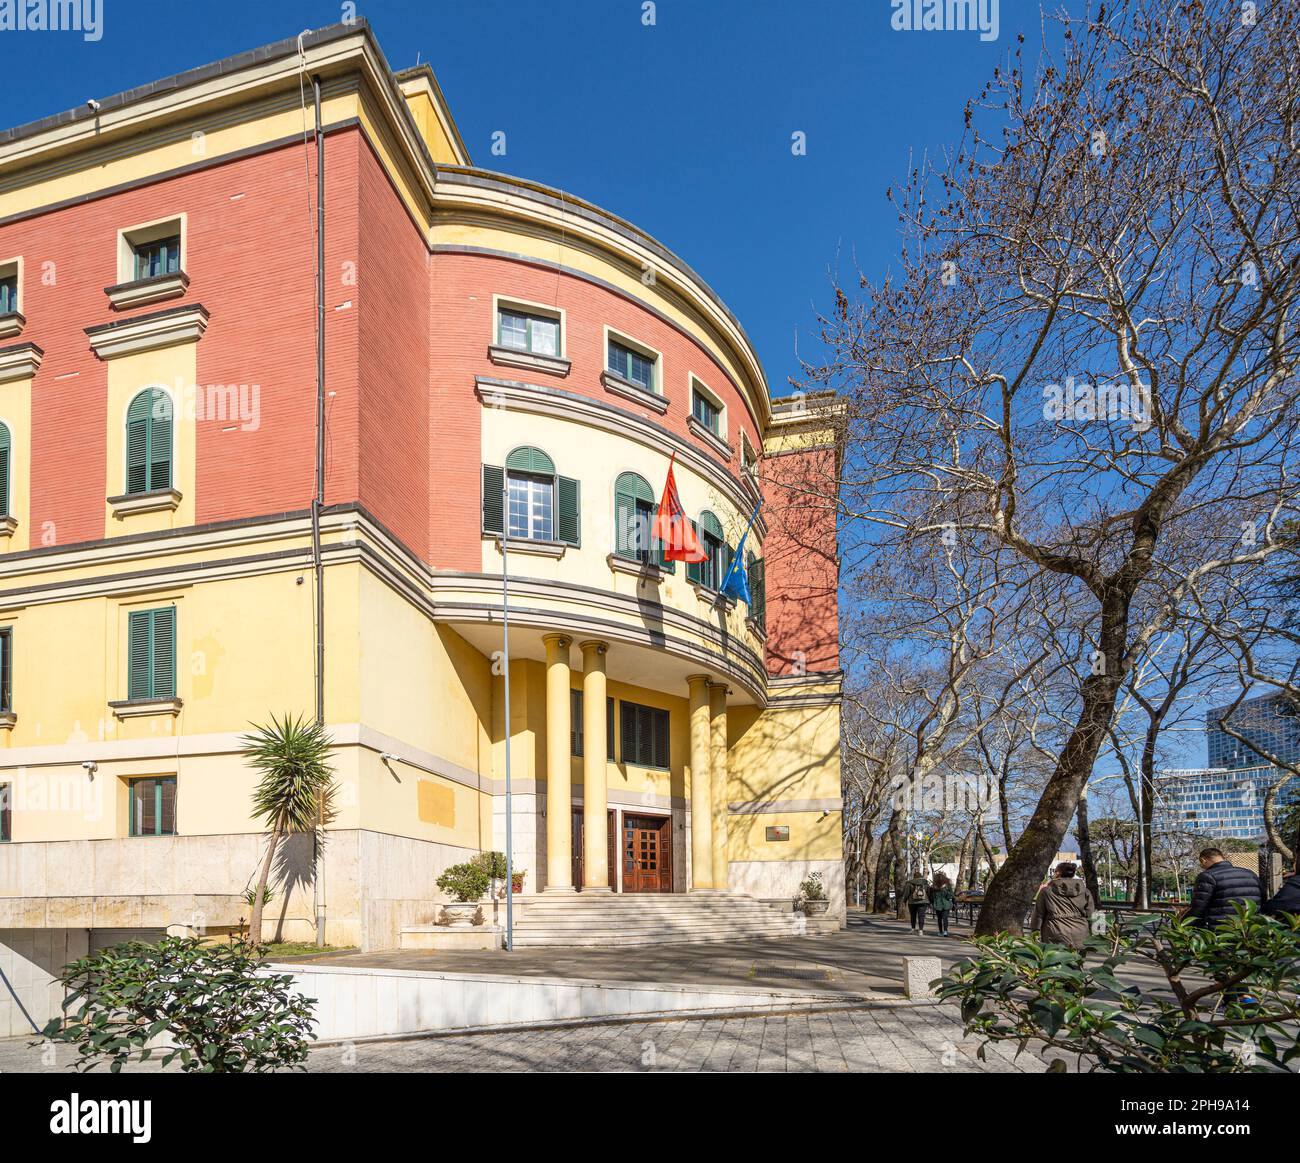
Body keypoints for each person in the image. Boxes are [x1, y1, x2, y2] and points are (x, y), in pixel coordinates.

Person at [1183, 847, 1262, 926]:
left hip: (1220, 927)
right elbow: (1262, 899)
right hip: (1249, 928)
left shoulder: (1207, 876)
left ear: (1203, 860)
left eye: (1201, 863)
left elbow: (1198, 907)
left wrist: (1183, 924)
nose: (1202, 866)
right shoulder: (1251, 874)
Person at [1029, 862, 1096, 950]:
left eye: (1055, 871)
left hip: (1055, 932)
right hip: (1080, 932)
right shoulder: (1085, 891)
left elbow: (1038, 914)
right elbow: (1090, 913)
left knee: (1057, 960)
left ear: (1058, 873)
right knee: (1077, 960)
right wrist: (1093, 931)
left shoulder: (1046, 891)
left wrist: (1035, 931)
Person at [903, 868, 931, 933]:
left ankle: (913, 929)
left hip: (912, 902)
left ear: (914, 876)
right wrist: (929, 900)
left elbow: (906, 893)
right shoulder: (925, 883)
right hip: (923, 901)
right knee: (921, 916)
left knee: (913, 916)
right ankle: (921, 930)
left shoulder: (909, 883)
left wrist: (905, 900)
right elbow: (929, 892)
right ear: (921, 876)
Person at [930, 871, 955, 936]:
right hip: (946, 904)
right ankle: (945, 931)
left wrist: (932, 903)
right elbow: (951, 895)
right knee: (945, 918)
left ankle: (940, 931)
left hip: (937, 905)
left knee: (939, 919)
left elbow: (932, 897)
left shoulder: (933, 887)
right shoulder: (947, 886)